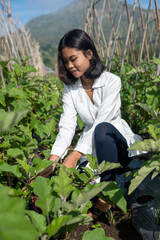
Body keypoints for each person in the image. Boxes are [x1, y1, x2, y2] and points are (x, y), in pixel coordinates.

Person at [40, 29, 142, 182]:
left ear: (89, 54)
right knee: (79, 177)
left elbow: (102, 121)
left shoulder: (112, 81)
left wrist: (75, 154)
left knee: (103, 129)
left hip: (117, 146)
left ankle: (107, 196)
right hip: (92, 150)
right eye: (66, 61)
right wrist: (54, 159)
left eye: (73, 59)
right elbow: (67, 125)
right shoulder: (70, 89)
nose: (70, 66)